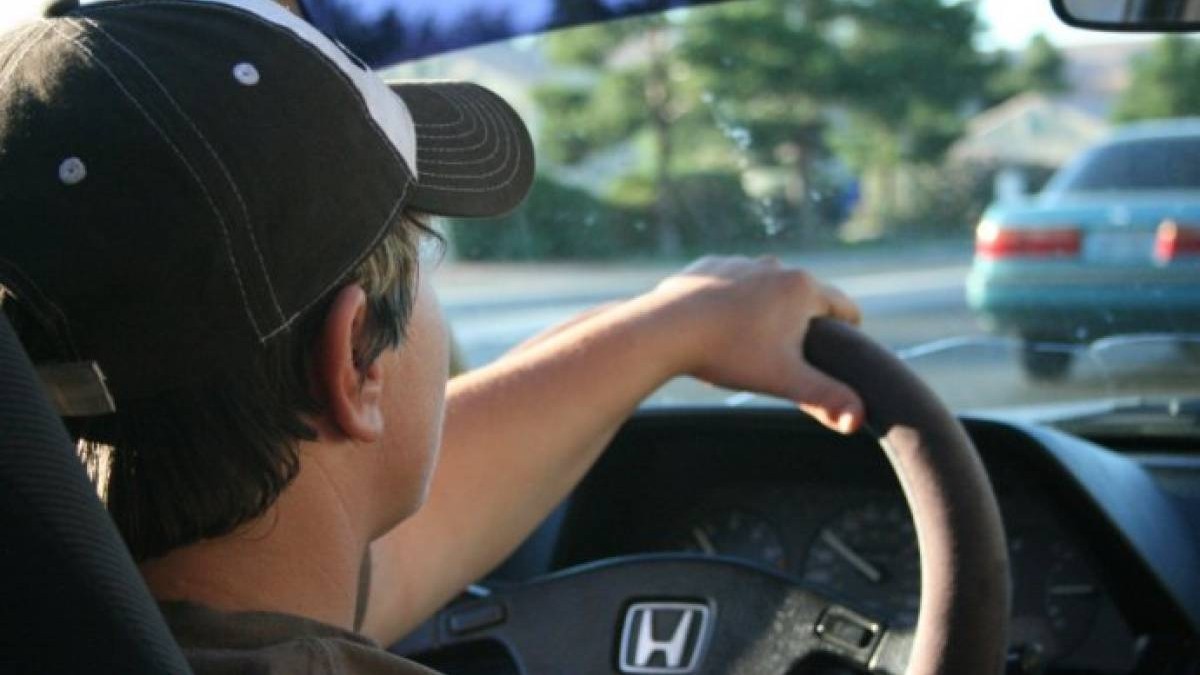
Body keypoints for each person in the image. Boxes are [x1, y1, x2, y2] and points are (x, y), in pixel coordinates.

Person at [0, 0, 864, 672]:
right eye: (424, 261)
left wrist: (673, 326)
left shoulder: (76, 618)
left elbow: (362, 559)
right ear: (356, 360)